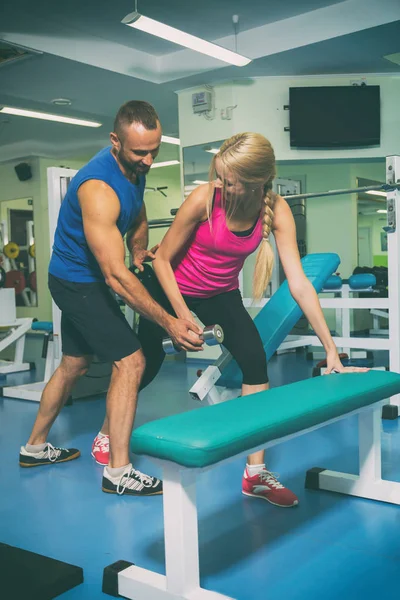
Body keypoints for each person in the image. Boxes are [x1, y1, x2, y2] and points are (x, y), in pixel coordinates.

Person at [92, 132, 368, 507]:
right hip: (170, 288)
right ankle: (108, 432)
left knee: (256, 363)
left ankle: (255, 474)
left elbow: (300, 285)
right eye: (219, 175)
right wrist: (181, 315)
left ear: (256, 182)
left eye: (229, 179)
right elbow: (162, 261)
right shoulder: (205, 199)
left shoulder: (276, 209)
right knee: (147, 364)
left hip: (221, 295)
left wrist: (332, 350)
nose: (219, 183)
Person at [19, 100, 203, 497]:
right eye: (140, 152)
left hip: (86, 280)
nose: (149, 161)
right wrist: (170, 321)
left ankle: (33, 448)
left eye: (155, 150)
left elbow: (136, 214)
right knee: (131, 360)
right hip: (77, 283)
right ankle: (118, 473)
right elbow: (115, 277)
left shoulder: (134, 170)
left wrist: (138, 248)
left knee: (74, 364)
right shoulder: (97, 188)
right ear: (115, 141)